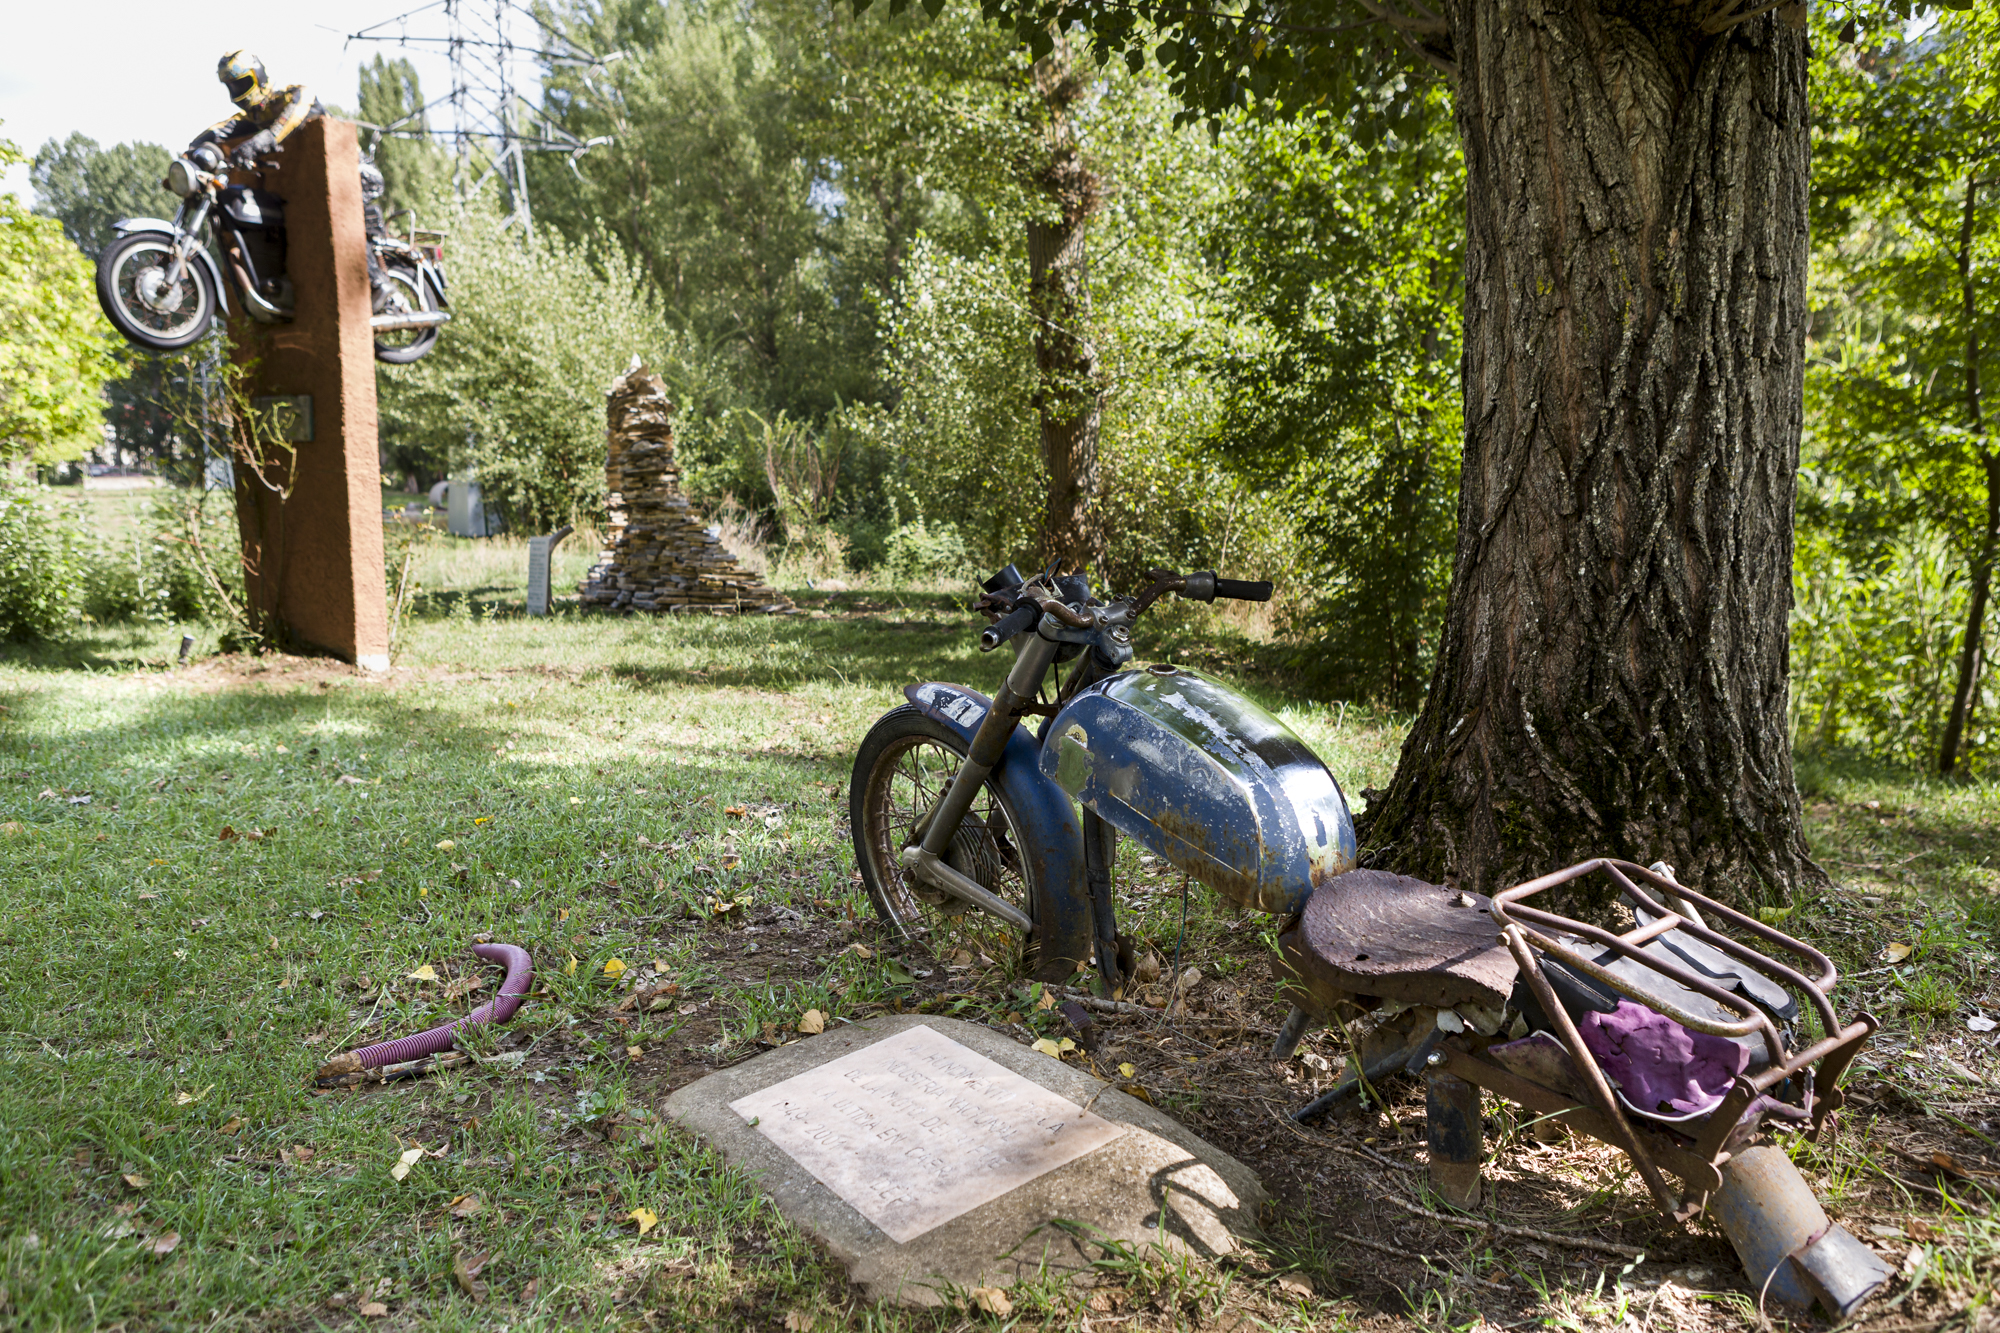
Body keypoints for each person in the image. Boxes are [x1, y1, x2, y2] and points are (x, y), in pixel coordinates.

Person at [191, 50, 396, 309]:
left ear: (258, 77)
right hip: (317, 183)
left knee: (343, 214)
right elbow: (217, 131)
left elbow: (291, 119)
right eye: (231, 86)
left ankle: (378, 282)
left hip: (357, 171)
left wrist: (261, 141)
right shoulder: (252, 117)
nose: (236, 91)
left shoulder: (294, 95)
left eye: (240, 83)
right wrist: (190, 153)